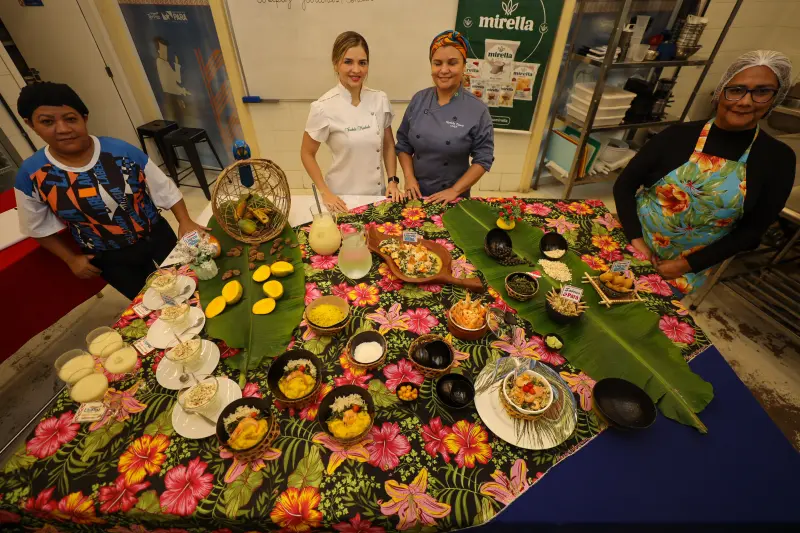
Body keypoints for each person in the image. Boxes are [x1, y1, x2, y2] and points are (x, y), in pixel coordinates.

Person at [613, 50, 796, 296]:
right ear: (720, 91)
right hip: (628, 239)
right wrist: (636, 241)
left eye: (762, 92)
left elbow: (751, 232)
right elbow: (624, 186)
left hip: (683, 271)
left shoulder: (777, 159)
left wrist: (684, 266)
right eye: (737, 89)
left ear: (775, 98)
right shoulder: (676, 136)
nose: (745, 101)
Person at [14, 82, 209, 300]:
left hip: (158, 236)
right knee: (151, 302)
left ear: (84, 118)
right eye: (47, 122)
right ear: (30, 124)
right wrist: (71, 259)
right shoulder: (32, 174)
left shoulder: (120, 151)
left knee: (192, 283)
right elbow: (36, 227)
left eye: (70, 119)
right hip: (109, 257)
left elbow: (164, 187)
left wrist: (185, 220)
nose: (63, 129)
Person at [301, 31, 399, 212]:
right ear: (335, 64)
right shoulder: (323, 107)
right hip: (341, 199)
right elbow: (307, 153)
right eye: (348, 62)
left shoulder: (380, 99)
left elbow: (388, 145)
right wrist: (325, 192)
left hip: (377, 195)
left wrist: (393, 181)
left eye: (362, 63)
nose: (356, 70)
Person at [396, 30, 494, 203]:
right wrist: (409, 178)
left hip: (452, 198)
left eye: (452, 63)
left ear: (464, 66)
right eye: (437, 63)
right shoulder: (419, 100)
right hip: (415, 193)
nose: (444, 70)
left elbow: (483, 159)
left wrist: (455, 191)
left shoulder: (477, 110)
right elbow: (403, 144)